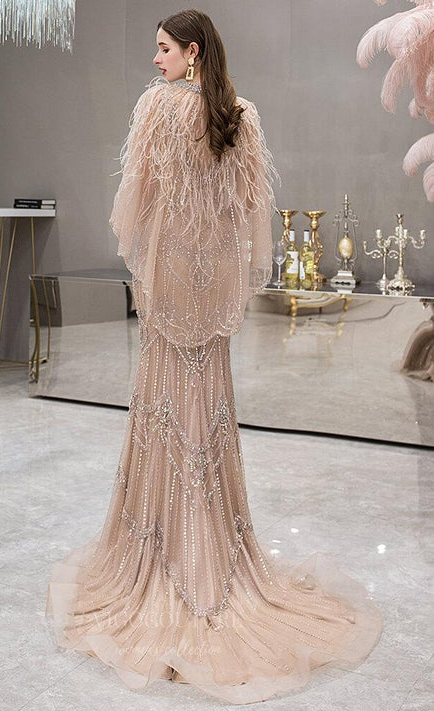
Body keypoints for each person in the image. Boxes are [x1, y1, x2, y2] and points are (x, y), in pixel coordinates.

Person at [46, 9, 382, 704]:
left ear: (192, 52)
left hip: (171, 275)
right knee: (207, 405)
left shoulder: (156, 110)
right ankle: (213, 554)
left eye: (163, 49)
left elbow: (133, 204)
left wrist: (150, 251)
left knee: (166, 402)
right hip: (210, 280)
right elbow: (250, 212)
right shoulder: (241, 115)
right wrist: (223, 265)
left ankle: (164, 554)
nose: (155, 60)